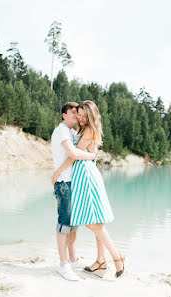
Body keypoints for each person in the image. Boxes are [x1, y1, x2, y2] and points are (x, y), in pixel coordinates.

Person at [51, 100, 125, 279]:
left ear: (91, 116)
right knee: (95, 219)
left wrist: (57, 172)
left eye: (84, 115)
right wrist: (93, 154)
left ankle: (117, 257)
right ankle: (100, 261)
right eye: (79, 114)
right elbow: (80, 152)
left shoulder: (88, 130)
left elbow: (74, 155)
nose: (81, 118)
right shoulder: (76, 130)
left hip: (85, 176)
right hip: (81, 176)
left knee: (92, 221)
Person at [50, 102, 98, 281]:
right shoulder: (62, 130)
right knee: (64, 223)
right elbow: (73, 153)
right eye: (72, 113)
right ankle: (63, 265)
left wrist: (94, 151)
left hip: (74, 182)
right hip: (64, 183)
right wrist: (92, 156)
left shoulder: (72, 132)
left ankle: (72, 258)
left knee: (73, 224)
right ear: (64, 115)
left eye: (78, 114)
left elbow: (84, 147)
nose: (76, 116)